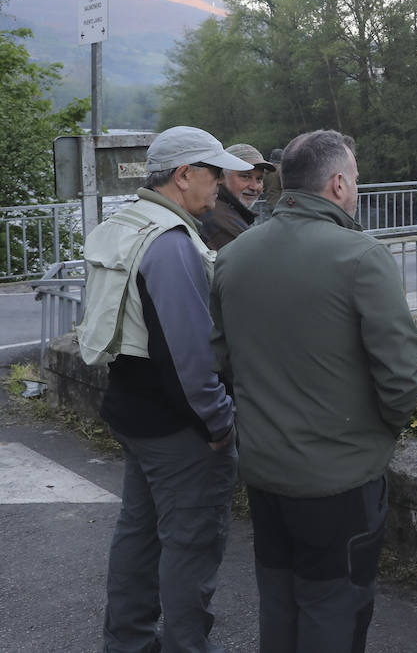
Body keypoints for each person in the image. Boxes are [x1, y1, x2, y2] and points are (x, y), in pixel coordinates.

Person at [209, 129, 417, 652]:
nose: (355, 189)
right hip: (339, 479)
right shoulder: (361, 257)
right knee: (335, 606)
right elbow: (400, 377)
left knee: (279, 600)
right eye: (354, 180)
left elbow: (220, 361)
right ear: (336, 184)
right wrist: (380, 433)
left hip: (265, 471)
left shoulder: (235, 255)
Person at [76, 125, 251, 653]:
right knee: (190, 544)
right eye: (213, 173)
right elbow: (190, 355)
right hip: (179, 426)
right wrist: (220, 422)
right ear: (183, 175)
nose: (219, 185)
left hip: (132, 407)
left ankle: (127, 641)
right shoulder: (172, 243)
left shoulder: (128, 221)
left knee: (139, 533)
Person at [198, 143, 275, 249]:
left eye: (259, 179)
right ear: (222, 176)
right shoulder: (221, 223)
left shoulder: (226, 212)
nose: (254, 187)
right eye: (245, 177)